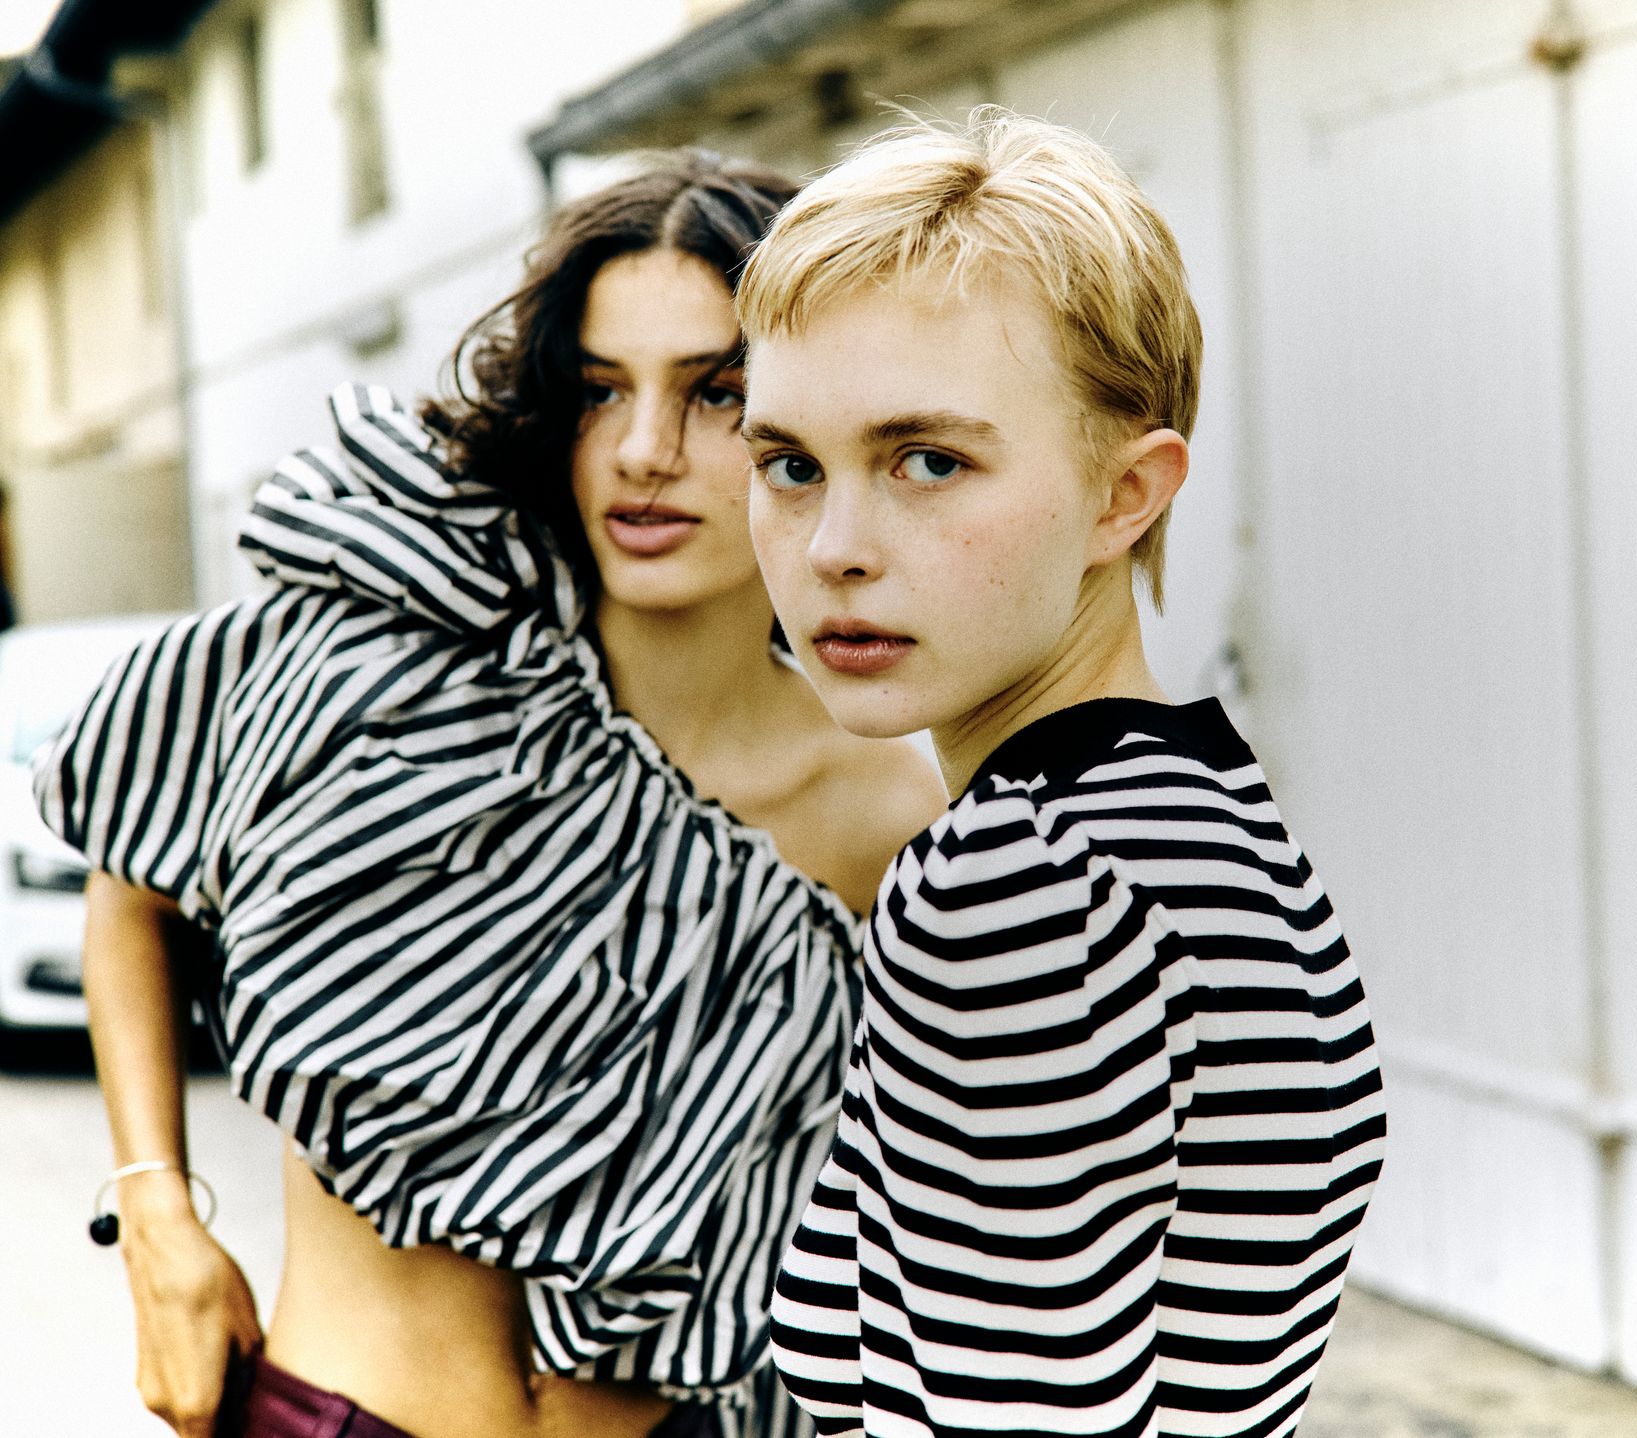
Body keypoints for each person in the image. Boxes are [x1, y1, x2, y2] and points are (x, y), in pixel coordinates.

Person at [41, 152, 945, 1438]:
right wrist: (156, 1214)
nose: (643, 450)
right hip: (342, 1415)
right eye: (597, 392)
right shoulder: (396, 650)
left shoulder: (886, 812)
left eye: (715, 393)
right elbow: (136, 877)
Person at [734, 110, 1387, 1437]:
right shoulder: (1204, 819)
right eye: (789, 464)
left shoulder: (1021, 882)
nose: (836, 546)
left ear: (1124, 494)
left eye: (929, 460)